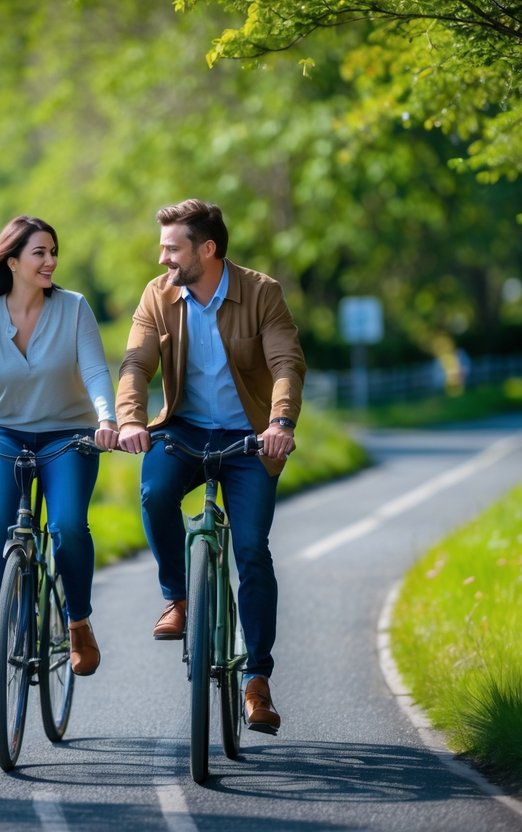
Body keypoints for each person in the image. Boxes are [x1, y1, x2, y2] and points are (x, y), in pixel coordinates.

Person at [116, 199, 305, 732]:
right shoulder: (158, 296)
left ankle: (257, 681)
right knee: (154, 495)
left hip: (251, 436)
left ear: (207, 249)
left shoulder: (261, 292)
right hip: (183, 429)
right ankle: (177, 597)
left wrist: (281, 425)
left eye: (171, 248)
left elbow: (286, 362)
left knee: (250, 550)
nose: (162, 259)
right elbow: (135, 363)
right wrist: (131, 419)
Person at [0, 215, 119, 695]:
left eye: (53, 251)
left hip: (69, 436)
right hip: (3, 435)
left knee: (65, 526)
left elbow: (98, 372)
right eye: (39, 252)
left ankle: (77, 622)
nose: (51, 261)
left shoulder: (74, 308)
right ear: (13, 261)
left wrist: (107, 419)